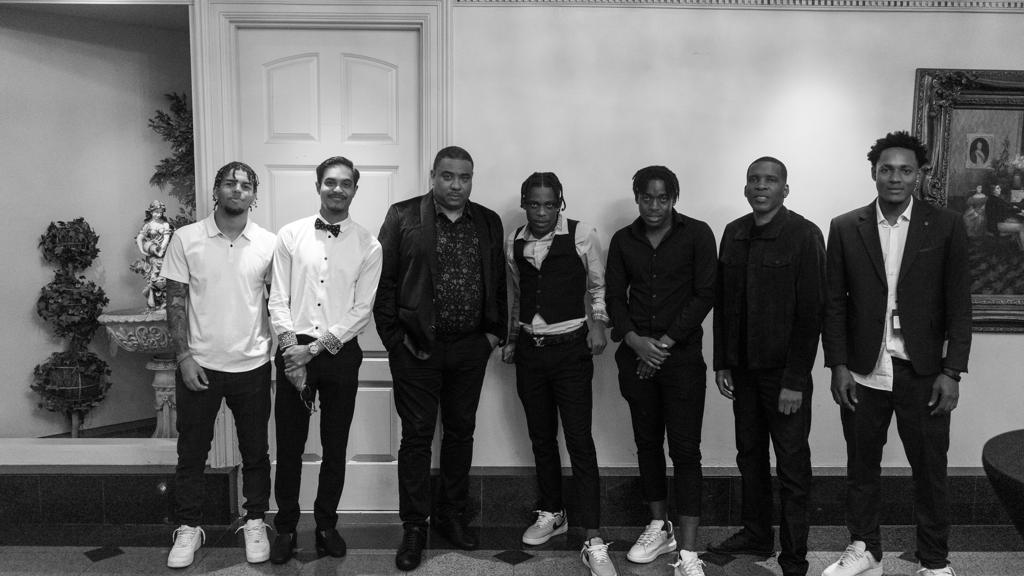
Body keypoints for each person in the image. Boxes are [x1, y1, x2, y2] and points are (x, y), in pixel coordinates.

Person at [822, 131, 971, 576]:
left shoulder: (945, 224)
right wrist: (838, 365)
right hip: (864, 371)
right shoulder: (845, 226)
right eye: (886, 169)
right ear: (873, 173)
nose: (895, 177)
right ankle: (865, 550)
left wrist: (952, 371)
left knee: (930, 471)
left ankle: (934, 561)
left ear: (919, 175)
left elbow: (959, 304)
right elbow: (834, 303)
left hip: (923, 371)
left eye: (905, 170)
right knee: (861, 468)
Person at [374, 146, 507, 571]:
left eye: (464, 177)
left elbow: (498, 282)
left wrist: (492, 334)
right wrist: (395, 341)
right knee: (416, 437)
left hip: (470, 347)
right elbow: (383, 283)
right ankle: (415, 526)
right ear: (433, 175)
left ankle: (451, 515)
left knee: (460, 433)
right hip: (416, 349)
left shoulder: (487, 220)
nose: (456, 185)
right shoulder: (402, 216)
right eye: (448, 176)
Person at [709, 157, 826, 576]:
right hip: (742, 371)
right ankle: (756, 533)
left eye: (770, 180)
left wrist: (795, 379)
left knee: (792, 466)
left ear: (785, 190)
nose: (761, 186)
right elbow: (723, 303)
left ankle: (794, 556)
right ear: (745, 188)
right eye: (754, 180)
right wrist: (722, 361)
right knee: (750, 456)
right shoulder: (734, 232)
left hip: (784, 376)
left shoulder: (804, 234)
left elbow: (812, 312)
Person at [161, 162, 277, 568]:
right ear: (217, 190)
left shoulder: (268, 243)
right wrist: (183, 357)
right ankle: (189, 527)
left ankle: (256, 520)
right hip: (200, 365)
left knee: (256, 451)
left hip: (253, 365)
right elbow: (175, 301)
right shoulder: (187, 238)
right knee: (192, 452)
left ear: (254, 196)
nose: (237, 189)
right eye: (230, 183)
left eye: (245, 185)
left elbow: (277, 303)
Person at [267, 156, 382, 564]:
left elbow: (361, 310)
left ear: (355, 190)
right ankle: (285, 528)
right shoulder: (290, 235)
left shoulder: (369, 245)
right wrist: (291, 352)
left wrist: (312, 351)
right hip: (292, 349)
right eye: (330, 182)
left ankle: (326, 526)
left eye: (346, 183)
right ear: (318, 186)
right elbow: (277, 298)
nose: (338, 189)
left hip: (338, 352)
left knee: (335, 445)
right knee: (289, 445)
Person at [501, 172, 615, 576]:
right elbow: (517, 293)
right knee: (541, 437)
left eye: (550, 204)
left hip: (570, 350)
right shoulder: (513, 241)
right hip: (530, 351)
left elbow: (598, 286)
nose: (542, 212)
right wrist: (512, 338)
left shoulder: (582, 234)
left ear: (560, 204)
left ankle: (593, 536)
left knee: (580, 440)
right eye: (534, 204)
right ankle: (553, 512)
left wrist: (598, 324)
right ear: (524, 204)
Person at [606, 165, 716, 576]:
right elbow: (614, 297)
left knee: (685, 451)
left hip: (681, 359)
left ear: (674, 198)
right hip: (635, 357)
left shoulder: (697, 234)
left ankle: (687, 552)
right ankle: (659, 526)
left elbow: (704, 294)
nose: (654, 206)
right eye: (647, 198)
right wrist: (636, 342)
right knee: (647, 443)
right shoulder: (623, 240)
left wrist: (663, 345)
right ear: (637, 197)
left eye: (663, 198)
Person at [131, 199, 174, 308]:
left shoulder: (165, 224)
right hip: (152, 256)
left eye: (160, 212)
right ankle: (154, 302)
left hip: (163, 255)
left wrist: (161, 250)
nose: (158, 214)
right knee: (152, 277)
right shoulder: (148, 225)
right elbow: (140, 238)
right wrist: (142, 250)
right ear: (151, 212)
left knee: (163, 277)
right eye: (156, 212)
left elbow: (166, 238)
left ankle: (164, 302)